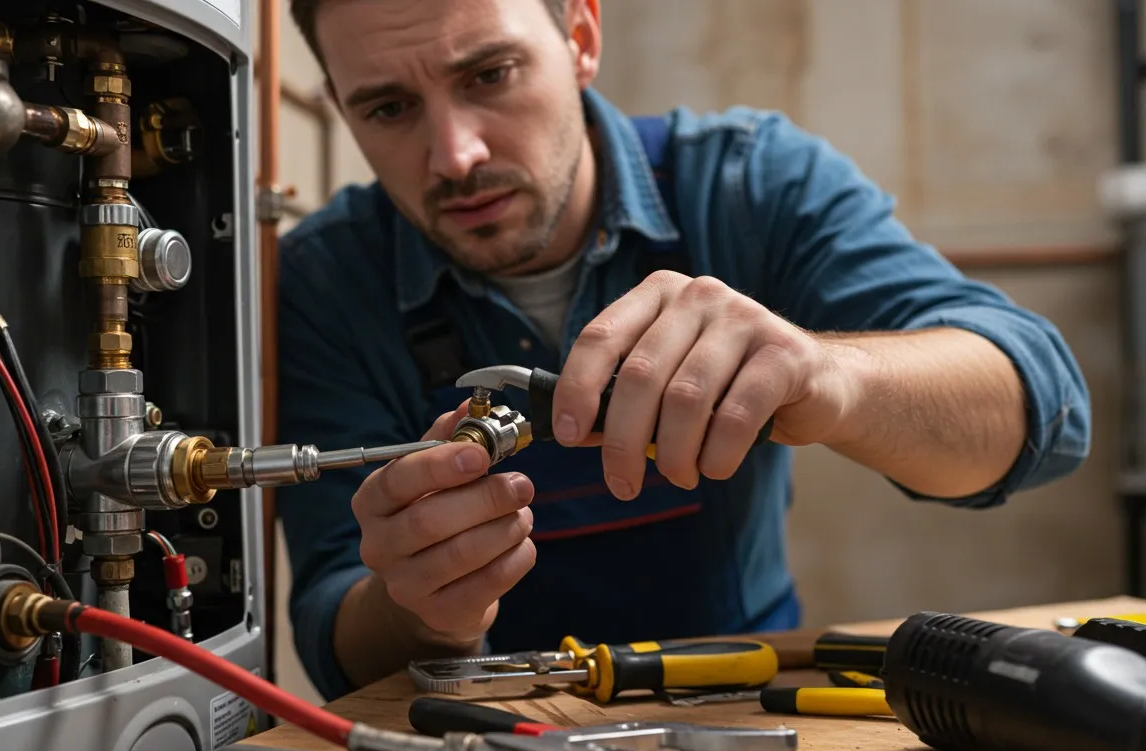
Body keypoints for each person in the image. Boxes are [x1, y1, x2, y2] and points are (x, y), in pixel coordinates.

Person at [271, 0, 1092, 701]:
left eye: (490, 76)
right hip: (487, 724)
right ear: (340, 106)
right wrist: (419, 611)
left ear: (582, 36)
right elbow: (332, 630)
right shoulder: (324, 280)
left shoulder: (752, 184)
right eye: (387, 109)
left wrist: (826, 374)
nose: (456, 156)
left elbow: (1044, 412)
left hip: (745, 700)